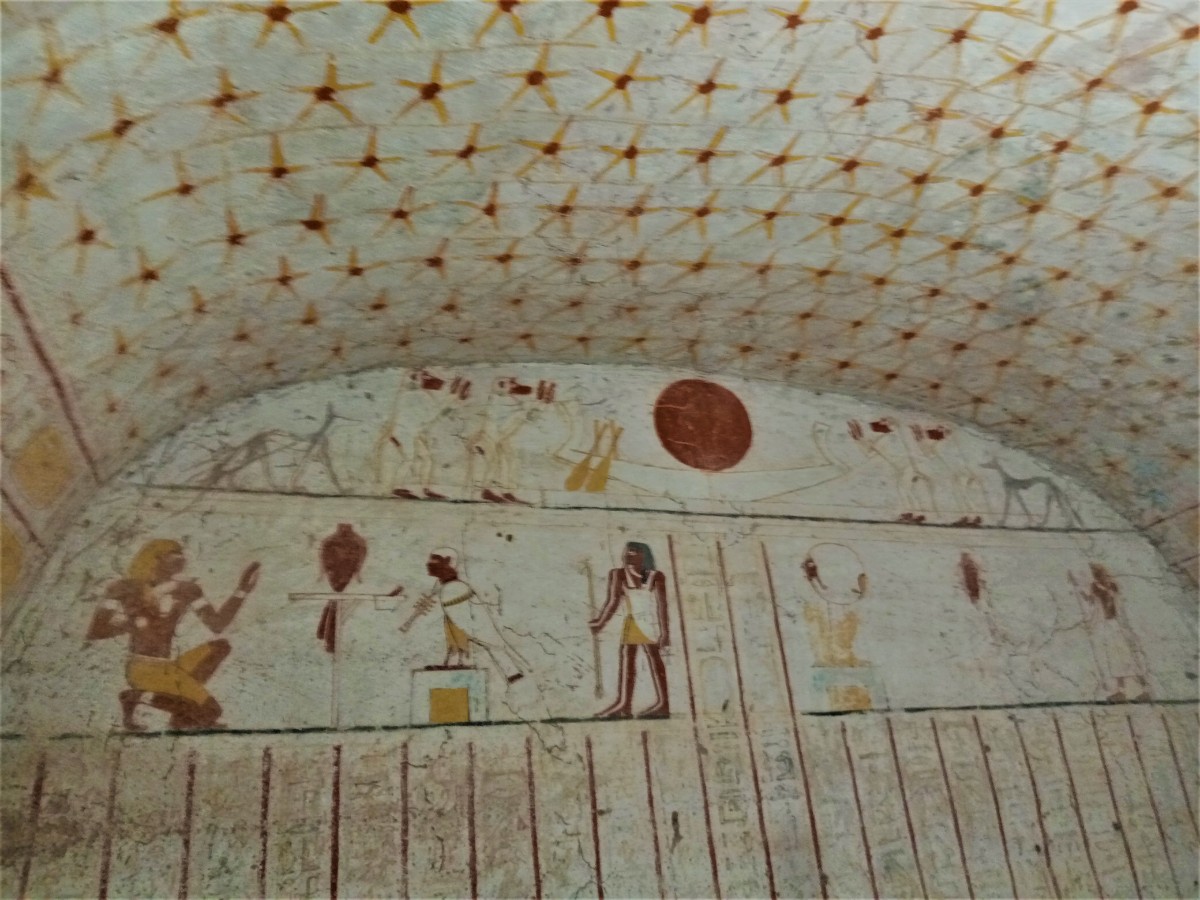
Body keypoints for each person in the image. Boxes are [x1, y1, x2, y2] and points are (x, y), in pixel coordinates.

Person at [86, 539, 260, 731]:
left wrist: (242, 591)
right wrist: (131, 624)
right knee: (210, 713)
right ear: (156, 558)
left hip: (170, 667)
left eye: (181, 554)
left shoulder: (187, 590)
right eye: (173, 555)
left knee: (221, 647)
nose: (181, 559)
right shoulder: (125, 587)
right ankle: (136, 696)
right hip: (143, 669)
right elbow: (96, 631)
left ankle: (179, 715)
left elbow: (217, 625)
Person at [407, 548, 525, 683]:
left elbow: (463, 623)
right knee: (456, 633)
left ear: (447, 563)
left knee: (483, 641)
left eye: (435, 560)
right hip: (455, 622)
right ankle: (454, 662)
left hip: (467, 624)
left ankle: (510, 672)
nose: (429, 563)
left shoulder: (454, 588)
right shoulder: (442, 584)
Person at [589, 541, 670, 718]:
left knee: (655, 659)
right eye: (627, 551)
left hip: (649, 623)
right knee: (628, 659)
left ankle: (663, 704)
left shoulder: (656, 576)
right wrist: (600, 622)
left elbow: (662, 605)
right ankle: (625, 704)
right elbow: (613, 601)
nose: (628, 555)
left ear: (643, 555)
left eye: (633, 552)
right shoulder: (618, 574)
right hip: (632, 621)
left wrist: (665, 633)